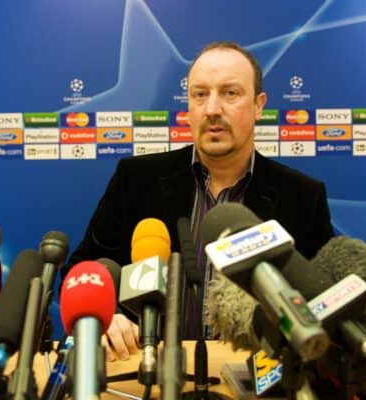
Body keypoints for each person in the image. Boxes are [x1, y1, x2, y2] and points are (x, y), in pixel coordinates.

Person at [66, 42, 334, 361]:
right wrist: (104, 317)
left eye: (230, 93)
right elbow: (82, 270)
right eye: (200, 94)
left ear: (259, 105)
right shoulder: (137, 179)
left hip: (251, 377)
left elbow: (324, 301)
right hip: (145, 371)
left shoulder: (302, 196)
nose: (212, 109)